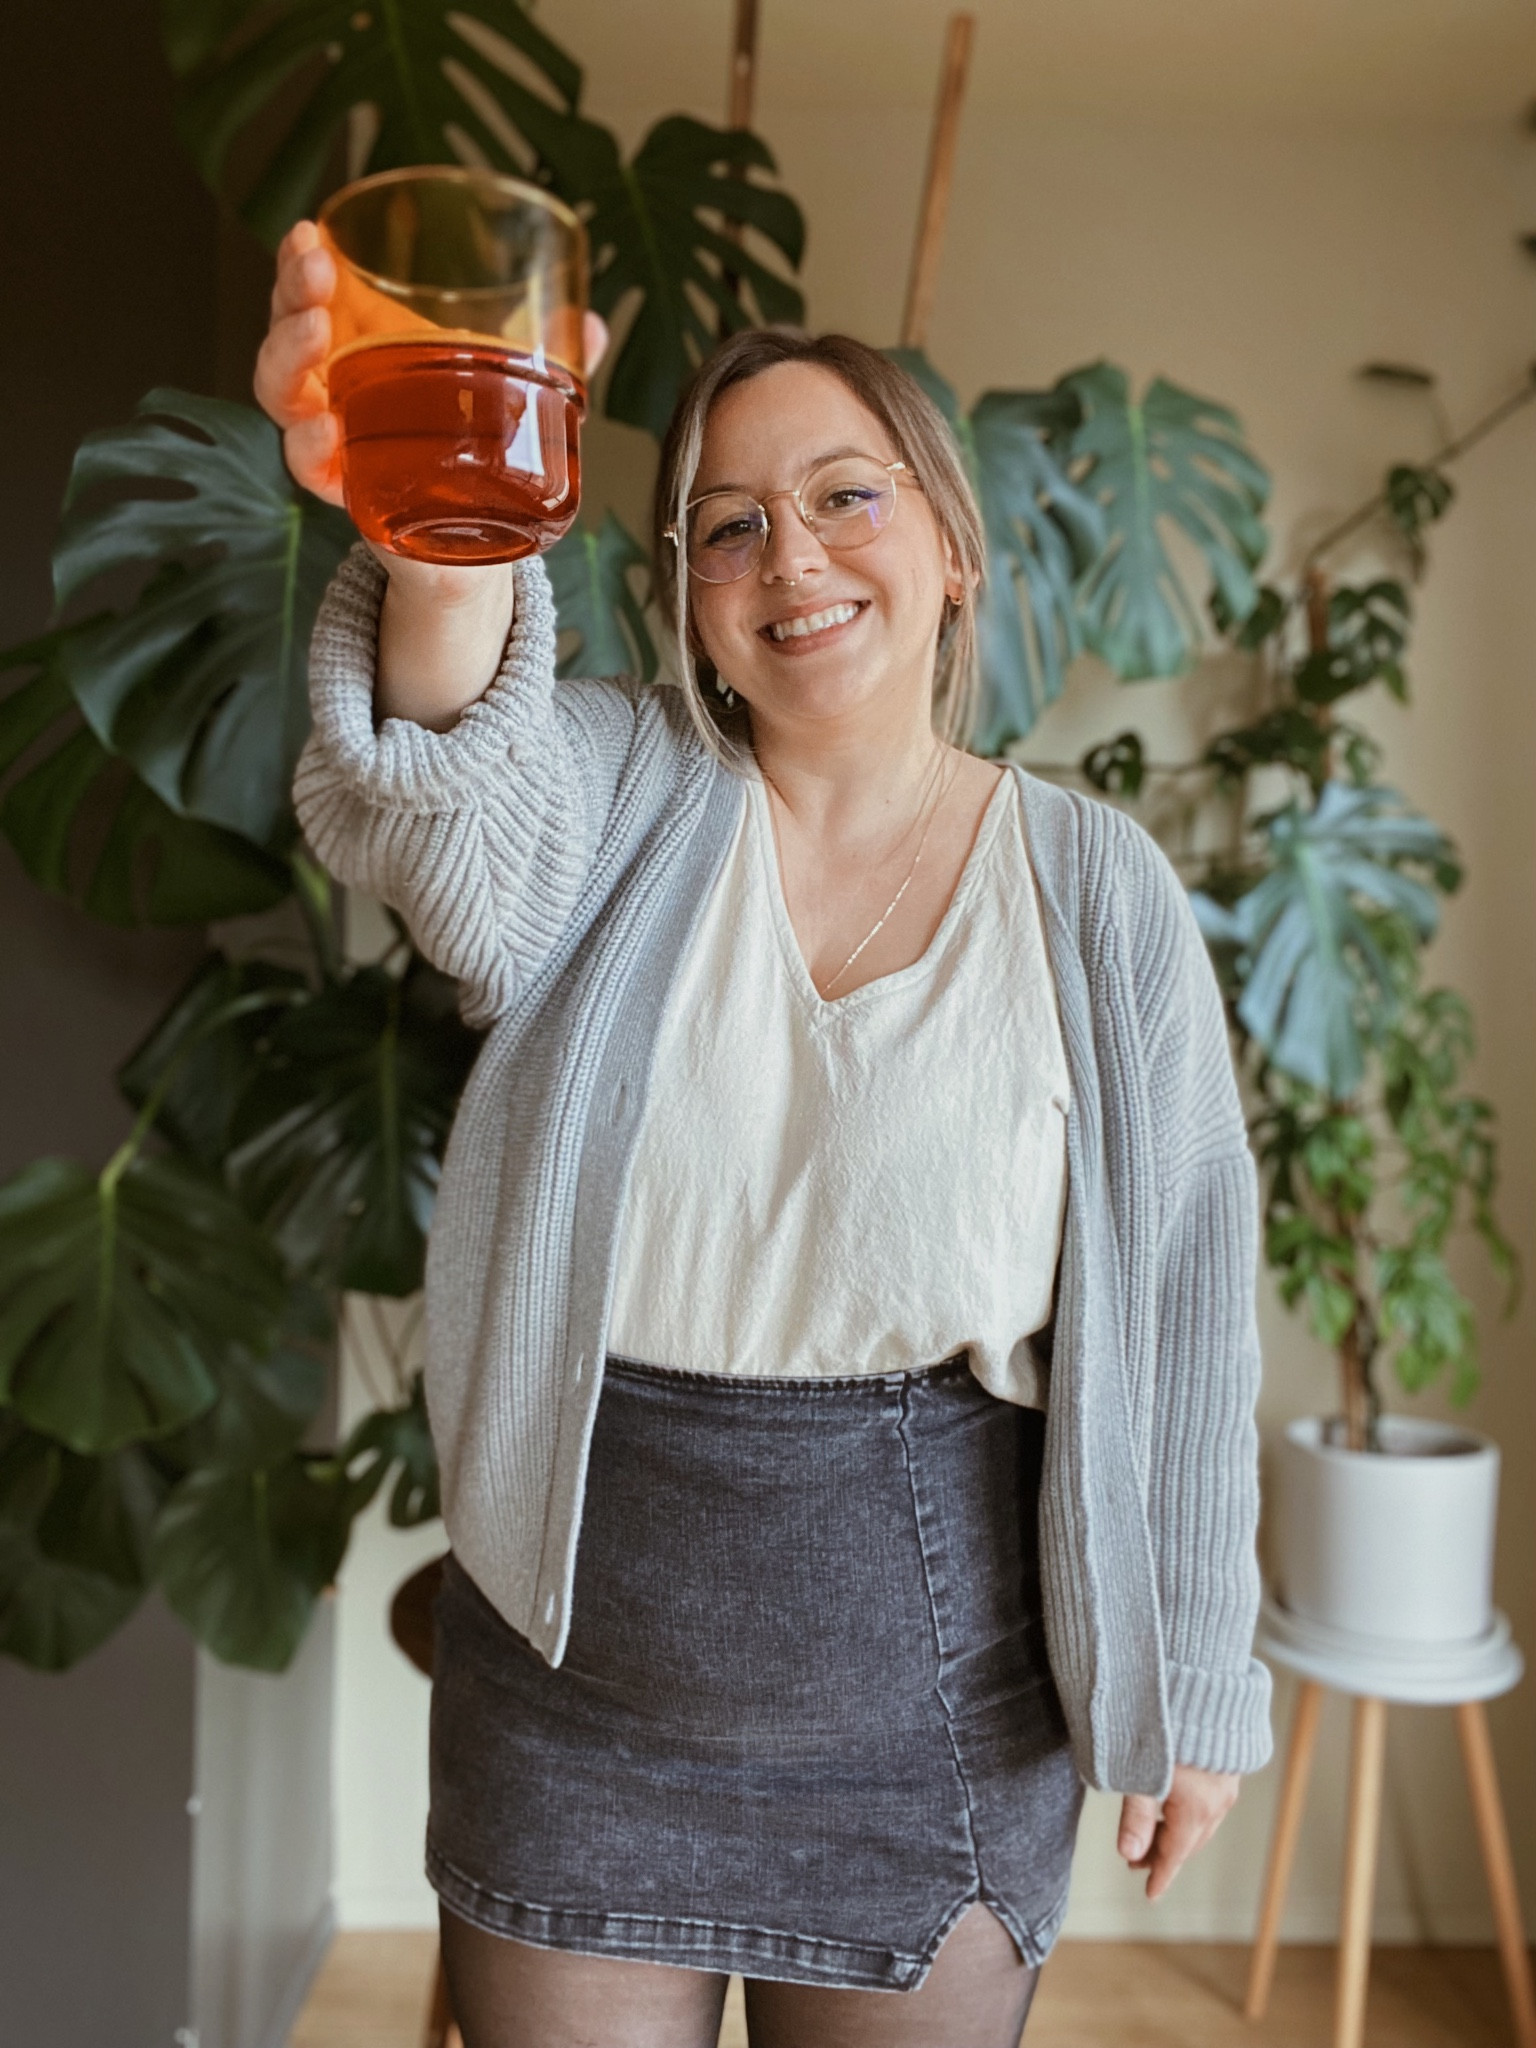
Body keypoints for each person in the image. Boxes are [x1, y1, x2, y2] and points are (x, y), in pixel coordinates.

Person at [257, 220, 1274, 2048]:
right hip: (580, 1693)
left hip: (941, 1709)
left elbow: (1191, 1298)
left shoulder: (1096, 891)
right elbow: (451, 794)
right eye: (728, 523)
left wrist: (1195, 1681)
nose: (787, 554)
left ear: (951, 547)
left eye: (842, 498)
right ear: (687, 596)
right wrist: (428, 535)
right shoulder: (617, 796)